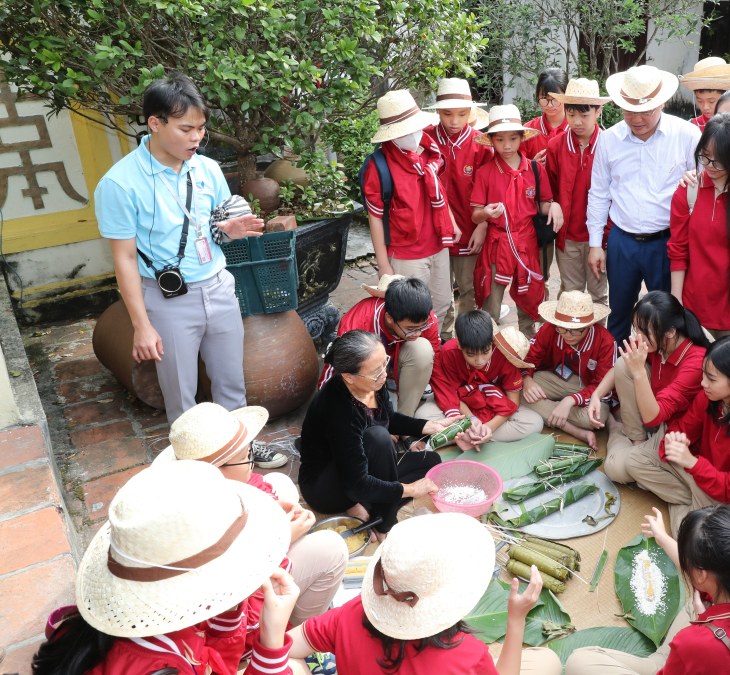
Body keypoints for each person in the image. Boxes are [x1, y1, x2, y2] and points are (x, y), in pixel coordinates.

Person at [94, 74, 265, 426]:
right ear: (155, 123)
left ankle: (240, 455)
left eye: (201, 128)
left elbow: (217, 231)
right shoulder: (119, 184)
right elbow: (124, 258)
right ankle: (194, 470)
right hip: (167, 299)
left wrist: (230, 232)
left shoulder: (208, 168)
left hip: (218, 287)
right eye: (186, 129)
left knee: (233, 386)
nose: (197, 137)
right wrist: (141, 326)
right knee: (181, 398)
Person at [31, 461, 300, 675]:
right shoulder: (171, 665)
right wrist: (272, 639)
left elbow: (216, 665)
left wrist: (229, 609)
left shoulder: (80, 633)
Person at [154, 402, 347, 641]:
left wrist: (272, 508)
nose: (252, 462)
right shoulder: (199, 525)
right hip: (236, 614)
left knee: (279, 482)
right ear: (216, 470)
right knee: (333, 547)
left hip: (249, 566)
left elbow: (254, 485)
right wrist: (282, 536)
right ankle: (290, 637)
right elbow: (233, 584)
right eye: (246, 456)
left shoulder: (207, 490)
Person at [288, 513, 563, 675]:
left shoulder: (350, 615)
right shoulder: (467, 656)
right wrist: (516, 620)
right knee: (548, 660)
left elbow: (287, 645)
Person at [566, 505, 730, 675]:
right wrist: (662, 537)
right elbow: (703, 578)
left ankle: (656, 660)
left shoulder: (694, 642)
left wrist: (704, 627)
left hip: (692, 655)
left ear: (702, 574)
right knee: (692, 605)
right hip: (713, 651)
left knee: (579, 661)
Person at [299, 331, 458, 538]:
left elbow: (388, 418)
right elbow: (357, 482)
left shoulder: (373, 382)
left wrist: (431, 426)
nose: (385, 373)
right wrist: (410, 490)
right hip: (326, 485)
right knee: (380, 439)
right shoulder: (339, 409)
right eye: (377, 370)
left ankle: (367, 505)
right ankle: (382, 521)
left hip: (360, 464)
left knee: (431, 461)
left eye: (386, 363)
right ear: (349, 376)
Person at [587, 65, 701, 345]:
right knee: (618, 314)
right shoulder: (609, 139)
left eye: (645, 111)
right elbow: (599, 192)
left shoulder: (686, 136)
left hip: (665, 243)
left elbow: (703, 190)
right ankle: (614, 375)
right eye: (628, 110)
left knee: (666, 317)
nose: (636, 119)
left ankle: (662, 378)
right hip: (622, 242)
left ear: (661, 103)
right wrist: (595, 243)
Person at [626, 334, 730, 534]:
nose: (703, 383)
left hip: (725, 496)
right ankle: (692, 508)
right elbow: (681, 427)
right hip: (700, 475)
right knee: (633, 462)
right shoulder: (709, 396)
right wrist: (674, 440)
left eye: (711, 379)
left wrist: (691, 463)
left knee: (689, 539)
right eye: (704, 374)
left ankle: (689, 509)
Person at [669, 113, 730, 345]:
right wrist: (677, 300)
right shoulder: (688, 191)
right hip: (695, 305)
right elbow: (678, 250)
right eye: (704, 157)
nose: (710, 166)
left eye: (719, 160)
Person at [364, 89, 457, 325]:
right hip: (406, 253)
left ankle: (442, 349)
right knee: (415, 313)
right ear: (392, 135)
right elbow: (375, 217)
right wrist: (384, 264)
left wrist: (451, 222)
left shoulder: (430, 151)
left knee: (443, 303)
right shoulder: (380, 167)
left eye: (417, 127)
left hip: (438, 243)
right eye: (406, 130)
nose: (415, 134)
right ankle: (419, 356)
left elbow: (439, 193)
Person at [471, 105, 563, 338]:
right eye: (500, 139)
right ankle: (487, 348)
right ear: (491, 140)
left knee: (530, 300)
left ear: (522, 137)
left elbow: (541, 204)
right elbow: (476, 213)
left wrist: (553, 205)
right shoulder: (485, 172)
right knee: (491, 302)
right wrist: (486, 214)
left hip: (527, 243)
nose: (507, 145)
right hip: (497, 244)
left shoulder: (535, 169)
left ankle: (529, 344)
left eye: (513, 138)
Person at [605, 291, 710, 483]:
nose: (639, 337)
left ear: (671, 331)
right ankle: (636, 439)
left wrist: (638, 372)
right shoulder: (661, 343)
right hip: (656, 416)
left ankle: (616, 430)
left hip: (674, 432)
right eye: (636, 329)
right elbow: (621, 366)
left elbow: (653, 417)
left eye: (644, 331)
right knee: (623, 364)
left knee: (614, 469)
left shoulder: (695, 361)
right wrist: (596, 395)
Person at [424, 78, 493, 341]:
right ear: (437, 111)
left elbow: (490, 189)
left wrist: (482, 225)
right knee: (437, 291)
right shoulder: (426, 139)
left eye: (462, 114)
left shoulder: (481, 143)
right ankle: (440, 338)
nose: (454, 120)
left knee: (468, 288)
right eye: (447, 113)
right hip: (433, 231)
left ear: (471, 112)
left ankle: (468, 339)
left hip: (469, 229)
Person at [317, 275, 441, 416]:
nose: (418, 333)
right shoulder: (358, 322)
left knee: (423, 349)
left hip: (398, 372)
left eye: (422, 327)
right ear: (389, 318)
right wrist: (324, 401)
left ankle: (404, 416)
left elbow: (437, 363)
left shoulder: (421, 318)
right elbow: (336, 368)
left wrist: (451, 408)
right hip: (367, 378)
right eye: (411, 328)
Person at [416, 311, 545, 444]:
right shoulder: (449, 352)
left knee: (534, 422)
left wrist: (489, 427)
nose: (479, 361)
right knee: (422, 416)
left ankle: (465, 436)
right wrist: (470, 418)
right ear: (459, 345)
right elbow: (450, 394)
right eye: (471, 355)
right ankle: (475, 436)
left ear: (492, 342)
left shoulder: (504, 353)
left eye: (486, 352)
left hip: (495, 405)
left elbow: (513, 402)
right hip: (461, 405)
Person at [545, 78, 611, 306]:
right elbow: (549, 187)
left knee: (598, 296)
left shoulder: (609, 144)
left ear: (598, 110)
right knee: (570, 296)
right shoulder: (556, 146)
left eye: (584, 114)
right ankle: (568, 341)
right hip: (568, 237)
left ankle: (598, 342)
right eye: (571, 114)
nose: (577, 121)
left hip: (601, 237)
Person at [522, 291, 615, 449]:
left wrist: (570, 400)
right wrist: (526, 379)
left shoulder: (605, 342)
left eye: (576, 330)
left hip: (588, 388)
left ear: (589, 325)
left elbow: (602, 386)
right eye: (562, 328)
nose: (568, 335)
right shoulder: (550, 328)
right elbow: (528, 359)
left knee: (595, 418)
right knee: (517, 390)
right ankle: (571, 428)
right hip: (553, 378)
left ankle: (551, 408)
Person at [678, 56, 730, 132]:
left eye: (711, 101)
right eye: (700, 101)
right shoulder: (691, 126)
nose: (705, 107)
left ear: (725, 98)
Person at [521, 68, 570, 163]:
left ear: (567, 95)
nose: (550, 105)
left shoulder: (577, 128)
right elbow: (515, 165)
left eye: (555, 98)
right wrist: (532, 166)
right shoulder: (527, 131)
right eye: (544, 98)